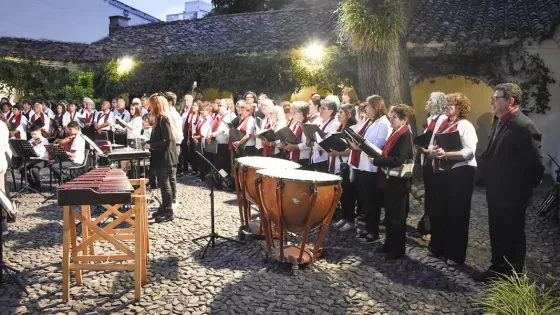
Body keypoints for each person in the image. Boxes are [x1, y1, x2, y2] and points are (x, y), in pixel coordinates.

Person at [478, 83, 544, 281]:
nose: (492, 102)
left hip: (512, 194)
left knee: (512, 233)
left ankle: (512, 273)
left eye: (496, 98)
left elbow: (535, 165)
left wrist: (521, 192)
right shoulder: (500, 121)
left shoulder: (523, 125)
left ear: (510, 101)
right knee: (497, 231)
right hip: (497, 191)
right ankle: (497, 266)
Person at [428, 92, 478, 266]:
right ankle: (439, 247)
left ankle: (455, 254)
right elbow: (434, 144)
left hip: (461, 172)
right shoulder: (443, 124)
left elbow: (469, 151)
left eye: (452, 104)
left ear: (460, 108)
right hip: (443, 171)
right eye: (447, 103)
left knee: (457, 214)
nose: (448, 107)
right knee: (440, 210)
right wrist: (433, 151)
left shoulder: (466, 126)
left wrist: (446, 154)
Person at [371, 104, 414, 259]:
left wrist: (378, 162)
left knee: (397, 217)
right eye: (391, 116)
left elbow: (399, 159)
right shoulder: (396, 132)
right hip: (390, 180)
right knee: (389, 215)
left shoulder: (405, 135)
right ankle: (388, 244)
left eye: (394, 117)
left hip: (399, 182)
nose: (391, 119)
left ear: (404, 120)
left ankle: (397, 250)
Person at [346, 95, 391, 242]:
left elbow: (378, 146)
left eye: (369, 107)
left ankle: (373, 231)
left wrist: (358, 147)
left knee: (372, 201)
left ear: (376, 107)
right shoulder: (371, 122)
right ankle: (368, 228)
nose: (366, 110)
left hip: (371, 167)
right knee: (365, 201)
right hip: (361, 165)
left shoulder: (383, 123)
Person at [417, 92, 447, 242]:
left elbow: (438, 140)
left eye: (430, 100)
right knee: (429, 195)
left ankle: (432, 229)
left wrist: (427, 149)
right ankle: (427, 225)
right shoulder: (431, 119)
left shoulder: (441, 119)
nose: (426, 102)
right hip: (427, 159)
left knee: (434, 196)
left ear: (436, 103)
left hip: (435, 161)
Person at [144, 94, 177, 223]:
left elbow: (166, 140)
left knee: (165, 184)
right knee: (162, 184)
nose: (149, 107)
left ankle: (169, 210)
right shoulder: (158, 119)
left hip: (165, 157)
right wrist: (148, 142)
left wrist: (151, 145)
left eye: (151, 104)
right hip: (159, 157)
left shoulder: (163, 119)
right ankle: (163, 206)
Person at [310, 99, 340, 172]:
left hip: (325, 158)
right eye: (320, 108)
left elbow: (331, 142)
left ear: (331, 111)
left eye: (323, 108)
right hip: (316, 157)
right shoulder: (320, 122)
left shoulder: (334, 124)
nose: (320, 110)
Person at [207, 99, 236, 174]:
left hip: (225, 142)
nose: (219, 107)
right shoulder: (218, 115)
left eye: (221, 105)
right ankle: (218, 178)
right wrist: (209, 135)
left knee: (224, 162)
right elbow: (212, 126)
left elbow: (227, 128)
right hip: (216, 142)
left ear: (226, 106)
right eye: (218, 105)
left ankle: (224, 179)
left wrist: (213, 134)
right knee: (217, 162)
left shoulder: (230, 115)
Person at [20, 125, 49, 189]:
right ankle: (32, 183)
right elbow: (27, 149)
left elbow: (40, 152)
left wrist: (32, 147)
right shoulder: (31, 140)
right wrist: (32, 145)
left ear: (39, 132)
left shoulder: (44, 140)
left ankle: (38, 185)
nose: (33, 136)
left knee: (34, 170)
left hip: (42, 159)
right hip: (32, 159)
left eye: (34, 134)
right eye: (32, 134)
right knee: (22, 169)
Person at [284, 101, 312, 167]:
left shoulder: (308, 125)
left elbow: (308, 144)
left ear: (301, 113)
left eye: (293, 112)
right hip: (291, 156)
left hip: (302, 159)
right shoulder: (295, 124)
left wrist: (295, 147)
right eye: (291, 111)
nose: (291, 113)